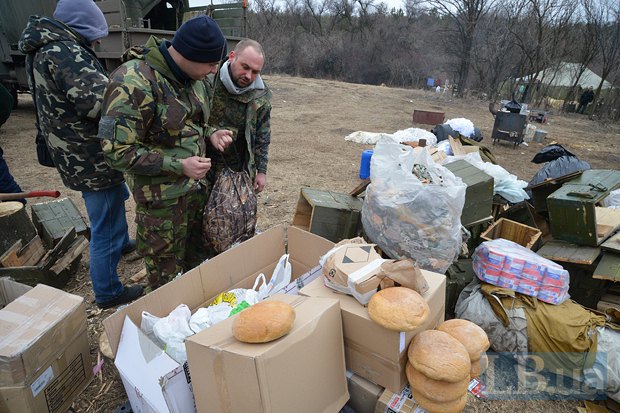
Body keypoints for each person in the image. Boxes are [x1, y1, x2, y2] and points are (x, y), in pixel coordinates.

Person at [18, 0, 142, 308]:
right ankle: (108, 291)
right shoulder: (65, 53)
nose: (99, 40)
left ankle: (122, 244)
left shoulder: (46, 47)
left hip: (73, 150)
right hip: (87, 155)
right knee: (105, 223)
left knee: (113, 202)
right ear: (80, 28)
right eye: (95, 33)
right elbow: (101, 102)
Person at [99, 16, 233, 291]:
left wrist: (211, 133)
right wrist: (178, 165)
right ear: (189, 55)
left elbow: (191, 123)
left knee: (200, 272)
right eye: (210, 64)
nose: (213, 71)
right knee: (165, 283)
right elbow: (116, 151)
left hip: (195, 195)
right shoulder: (132, 81)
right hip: (161, 206)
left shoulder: (195, 80)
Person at [206, 39, 272, 194]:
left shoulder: (260, 96)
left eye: (255, 72)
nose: (248, 76)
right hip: (202, 162)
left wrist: (261, 171)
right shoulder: (207, 81)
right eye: (245, 67)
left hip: (236, 170)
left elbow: (263, 135)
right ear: (232, 56)